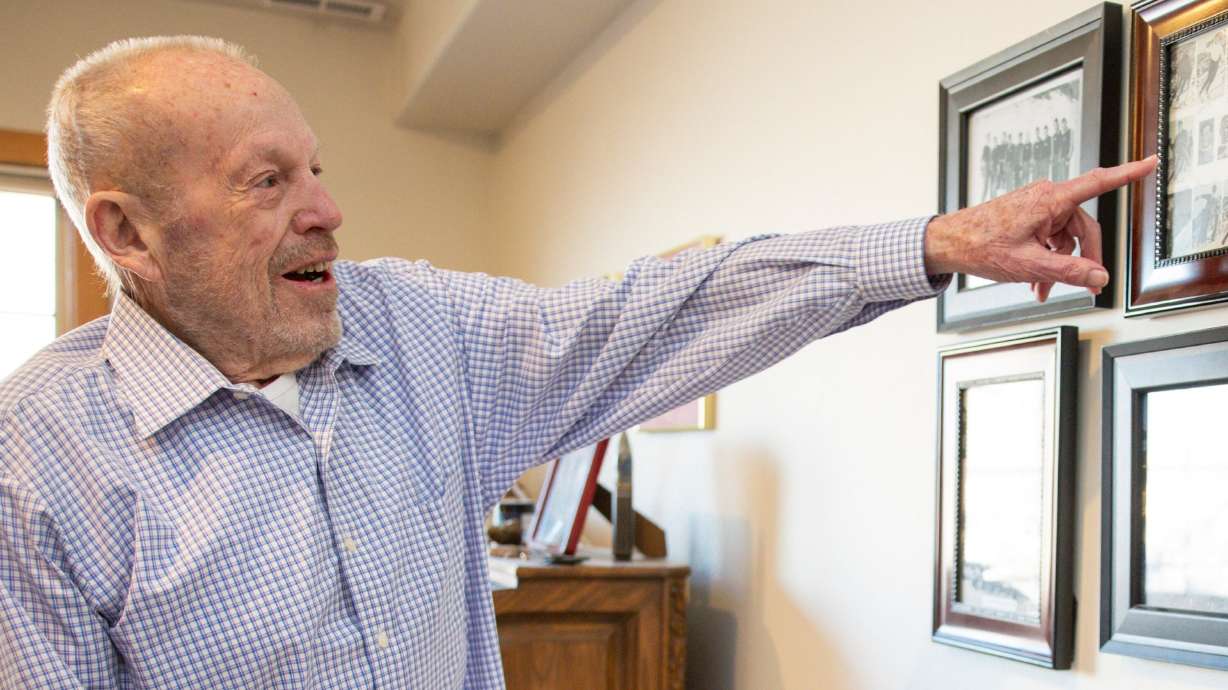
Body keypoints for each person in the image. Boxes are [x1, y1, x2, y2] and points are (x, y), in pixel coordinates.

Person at [0, 36, 1155, 689]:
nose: (327, 211)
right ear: (125, 232)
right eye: (267, 182)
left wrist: (931, 244)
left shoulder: (418, 332)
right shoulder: (37, 460)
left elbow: (657, 311)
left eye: (314, 170)